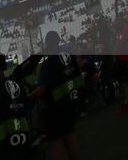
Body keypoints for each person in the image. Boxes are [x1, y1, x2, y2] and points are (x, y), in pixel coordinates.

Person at [32, 32, 82, 160]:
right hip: (70, 103)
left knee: (56, 143)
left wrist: (28, 96)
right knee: (70, 136)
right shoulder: (69, 57)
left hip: (55, 109)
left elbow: (42, 89)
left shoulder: (48, 64)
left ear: (48, 44)